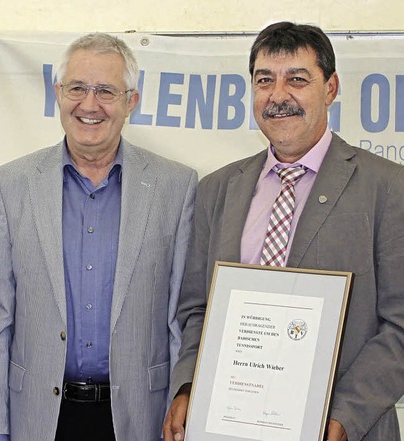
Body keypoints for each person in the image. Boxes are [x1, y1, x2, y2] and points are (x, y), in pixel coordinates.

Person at [164, 21, 404, 441]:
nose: (278, 96)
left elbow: (400, 326)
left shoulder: (388, 188)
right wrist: (188, 386)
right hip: (229, 425)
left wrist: (342, 417)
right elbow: (197, 310)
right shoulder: (217, 190)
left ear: (330, 88)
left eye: (297, 79)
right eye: (264, 81)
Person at [0, 33, 198, 441]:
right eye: (77, 88)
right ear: (58, 93)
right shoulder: (10, 186)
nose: (89, 104)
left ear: (132, 101)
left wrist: (179, 410)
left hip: (138, 419)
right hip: (36, 418)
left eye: (106, 91)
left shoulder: (176, 187)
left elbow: (179, 319)